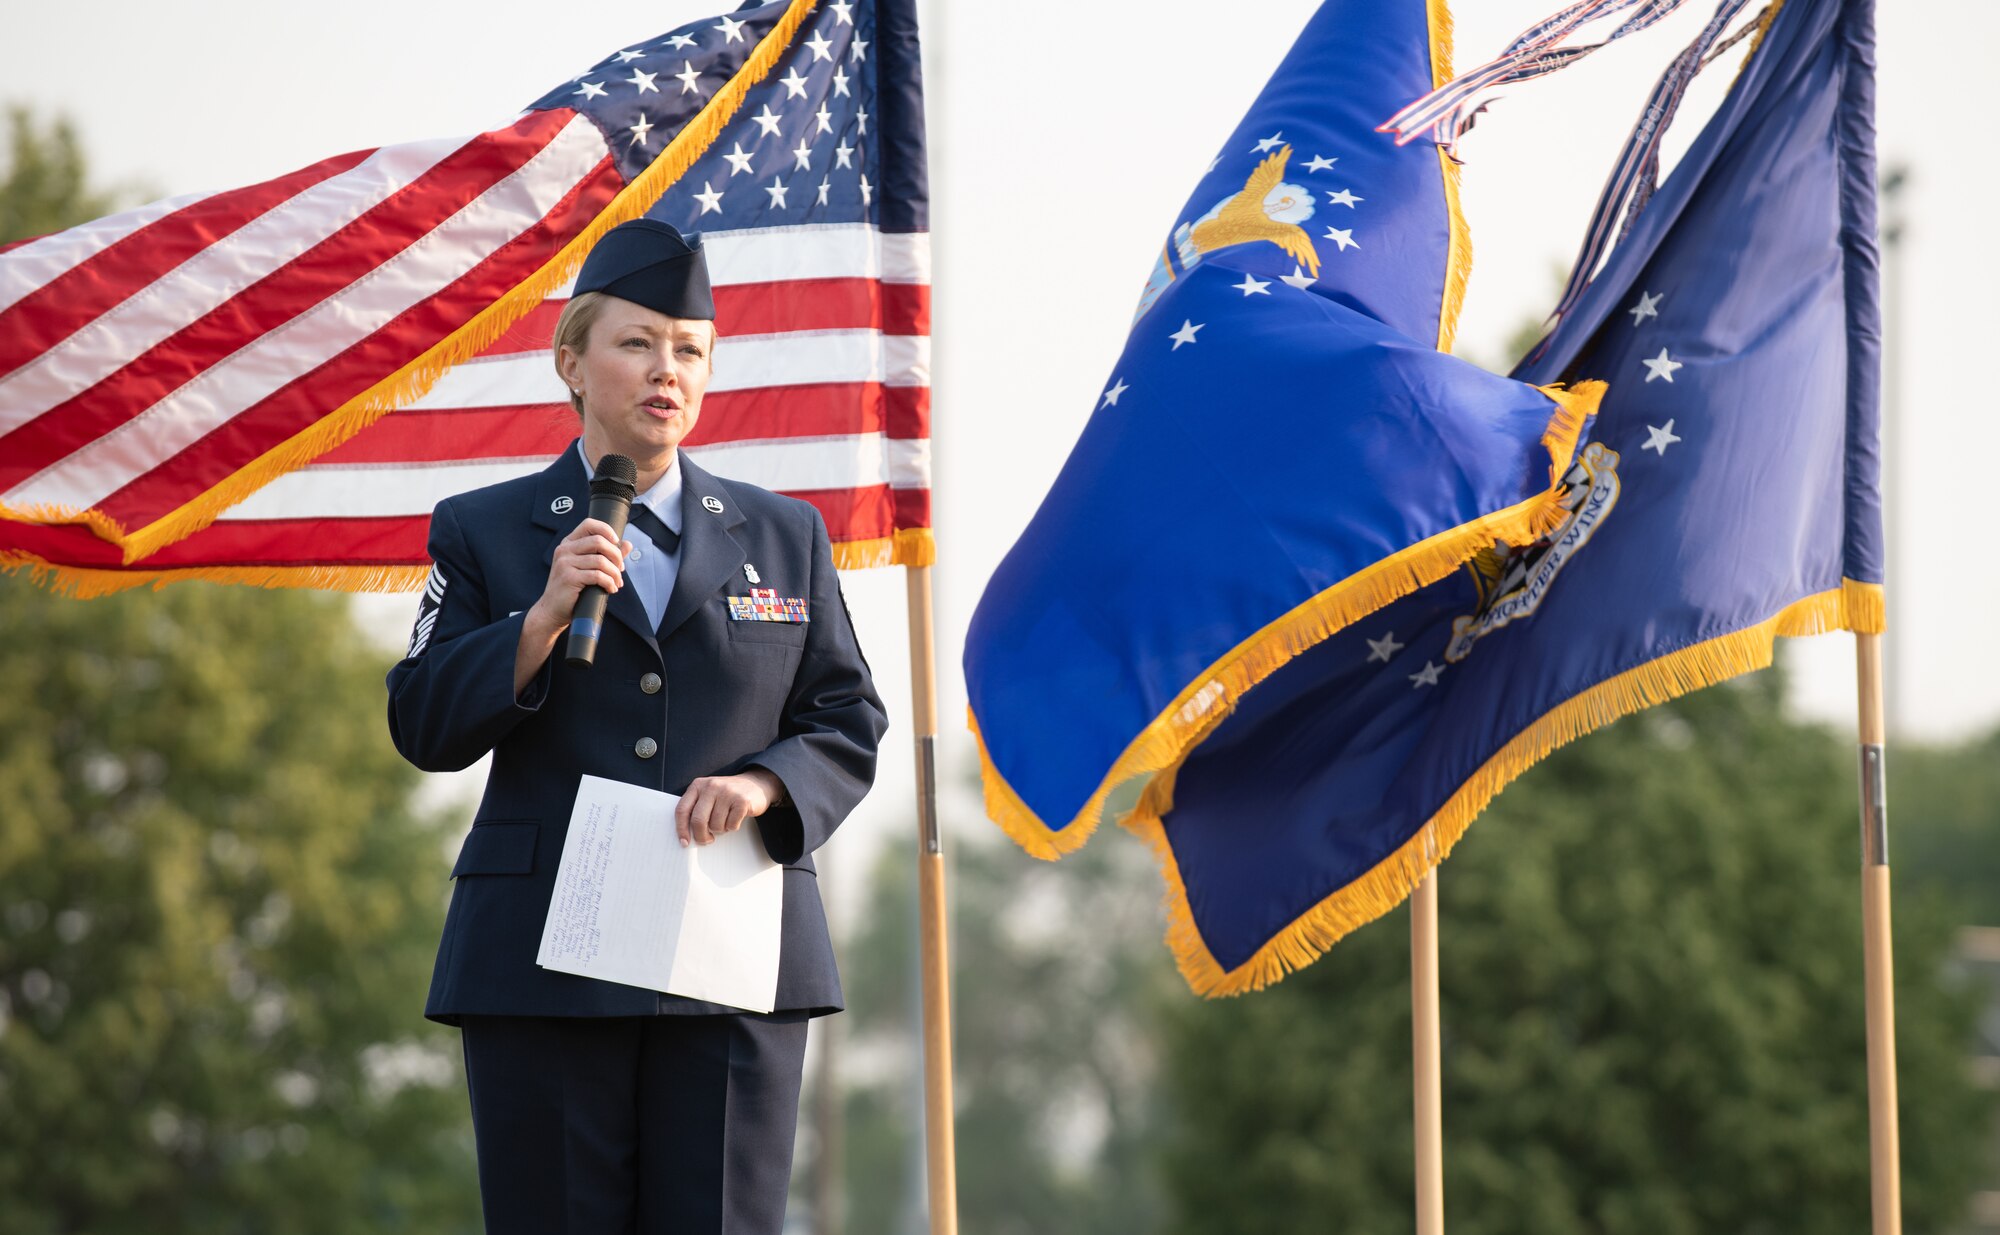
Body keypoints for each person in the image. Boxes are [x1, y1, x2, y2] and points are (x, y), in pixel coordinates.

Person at [385, 217, 888, 1235]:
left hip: (732, 961)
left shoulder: (785, 534)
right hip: (542, 960)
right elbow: (421, 718)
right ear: (570, 358)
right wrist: (534, 624)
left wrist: (764, 786)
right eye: (637, 342)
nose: (668, 369)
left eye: (689, 349)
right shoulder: (484, 527)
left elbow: (845, 716)